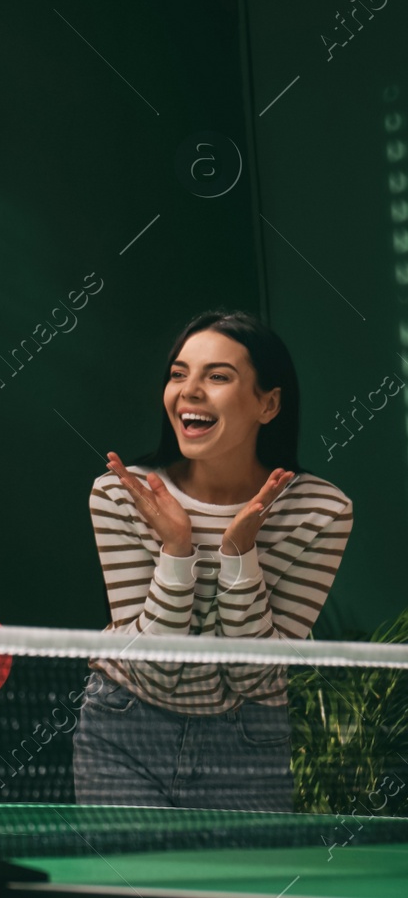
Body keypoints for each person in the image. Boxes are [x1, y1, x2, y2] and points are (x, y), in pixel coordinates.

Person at [74, 310, 353, 811]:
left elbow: (253, 676)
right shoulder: (121, 495)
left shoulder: (319, 511)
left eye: (217, 376)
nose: (189, 390)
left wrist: (240, 554)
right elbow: (157, 670)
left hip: (248, 745)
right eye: (179, 374)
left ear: (268, 404)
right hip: (124, 731)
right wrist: (177, 551)